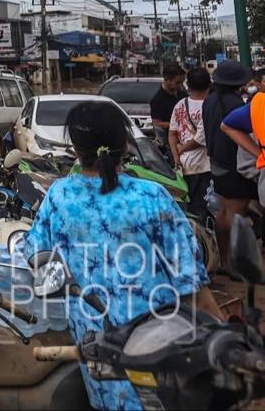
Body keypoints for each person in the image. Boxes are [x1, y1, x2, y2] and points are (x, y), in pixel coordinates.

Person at [22, 100, 223, 411]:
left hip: (97, 357)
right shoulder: (151, 197)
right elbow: (192, 286)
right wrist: (223, 337)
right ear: (125, 144)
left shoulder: (59, 196)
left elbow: (34, 254)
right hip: (157, 353)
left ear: (75, 148)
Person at [203, 59, 255, 266]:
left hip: (217, 161)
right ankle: (236, 263)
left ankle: (225, 262)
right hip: (234, 163)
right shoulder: (235, 104)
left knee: (224, 211)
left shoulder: (210, 100)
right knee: (236, 212)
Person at [168, 66, 212, 223]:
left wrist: (176, 156)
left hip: (183, 166)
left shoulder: (180, 104)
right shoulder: (210, 106)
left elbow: (172, 134)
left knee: (188, 209)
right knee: (203, 210)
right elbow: (201, 139)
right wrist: (182, 148)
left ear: (188, 85)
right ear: (209, 84)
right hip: (204, 166)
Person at [149, 63, 187, 152]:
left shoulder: (183, 95)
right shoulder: (158, 99)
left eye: (182, 82)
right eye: (177, 82)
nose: (180, 85)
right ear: (167, 79)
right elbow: (157, 123)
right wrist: (177, 125)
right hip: (169, 143)